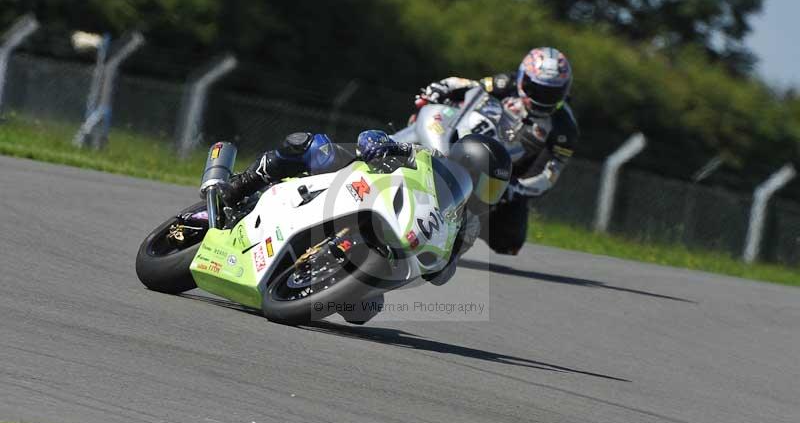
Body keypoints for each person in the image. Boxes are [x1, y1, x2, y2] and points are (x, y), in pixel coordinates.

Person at [221, 130, 511, 288]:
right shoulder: (431, 157)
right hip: (365, 186)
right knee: (315, 147)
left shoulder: (469, 224)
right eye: (487, 186)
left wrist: (443, 267)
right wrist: (379, 142)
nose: (488, 197)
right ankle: (245, 183)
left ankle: (321, 275)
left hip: (392, 251)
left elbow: (444, 269)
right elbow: (383, 141)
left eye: (495, 191)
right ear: (468, 166)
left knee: (363, 311)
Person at [415, 47, 579, 255]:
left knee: (509, 241)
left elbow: (548, 174)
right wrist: (441, 88)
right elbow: (471, 86)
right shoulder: (505, 83)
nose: (542, 97)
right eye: (536, 88)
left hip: (502, 178)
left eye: (551, 93)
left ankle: (457, 230)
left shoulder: (565, 128)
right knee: (428, 114)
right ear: (523, 78)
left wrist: (514, 188)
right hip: (464, 142)